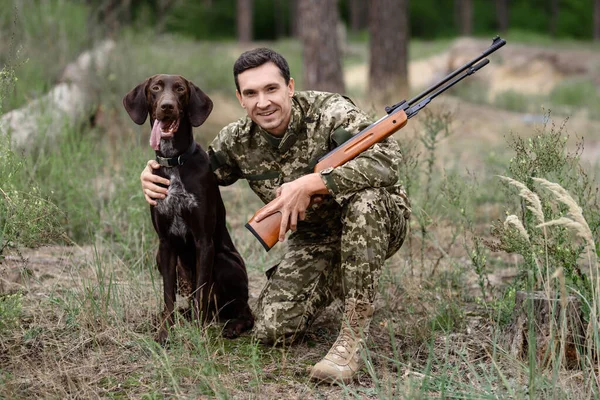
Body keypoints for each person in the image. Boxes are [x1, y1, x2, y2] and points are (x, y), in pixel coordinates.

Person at [140, 47, 411, 384]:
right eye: (251, 93)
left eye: (271, 89)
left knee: (366, 202)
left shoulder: (332, 113)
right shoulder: (237, 141)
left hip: (377, 222)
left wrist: (315, 182)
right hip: (315, 238)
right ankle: (338, 274)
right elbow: (196, 175)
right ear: (240, 99)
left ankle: (350, 339)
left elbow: (388, 161)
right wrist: (153, 174)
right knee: (271, 328)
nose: (263, 102)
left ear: (290, 87)